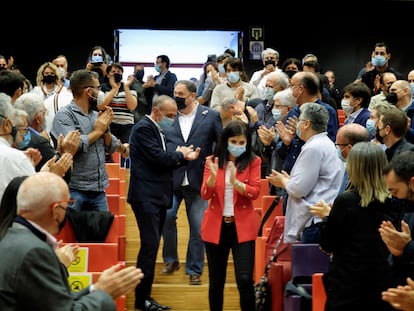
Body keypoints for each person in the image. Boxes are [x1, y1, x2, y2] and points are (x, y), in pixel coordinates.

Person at [0, 171, 144, 311]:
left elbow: (53, 302)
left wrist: (95, 289)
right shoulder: (35, 251)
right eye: (67, 204)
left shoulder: (11, 238)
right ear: (56, 210)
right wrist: (105, 293)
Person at [128, 94, 200, 311]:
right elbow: (159, 159)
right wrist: (181, 155)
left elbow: (161, 160)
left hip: (156, 197)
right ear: (156, 111)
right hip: (146, 197)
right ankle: (142, 300)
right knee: (149, 248)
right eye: (169, 115)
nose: (172, 119)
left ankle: (145, 298)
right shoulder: (143, 128)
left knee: (151, 247)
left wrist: (177, 155)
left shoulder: (155, 128)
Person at [319, 142, 403, 311]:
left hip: (347, 286)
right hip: (383, 285)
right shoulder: (394, 202)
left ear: (354, 168)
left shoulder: (345, 201)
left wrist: (327, 217)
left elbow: (327, 244)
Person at [162, 80, 223, 285]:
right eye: (174, 93)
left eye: (180, 93)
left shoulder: (211, 115)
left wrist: (213, 165)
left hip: (199, 179)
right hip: (172, 177)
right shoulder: (168, 116)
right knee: (167, 217)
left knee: (198, 227)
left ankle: (195, 269)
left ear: (193, 95)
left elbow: (221, 143)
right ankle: (171, 260)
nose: (176, 96)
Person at [200, 119, 261, 311]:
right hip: (216, 226)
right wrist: (211, 177)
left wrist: (236, 183)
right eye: (233, 142)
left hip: (242, 227)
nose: (237, 146)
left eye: (241, 143)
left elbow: (255, 192)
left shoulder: (253, 161)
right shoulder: (212, 161)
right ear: (225, 141)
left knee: (244, 279)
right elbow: (205, 194)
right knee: (216, 282)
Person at [51, 69, 128, 213]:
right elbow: (76, 145)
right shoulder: (64, 116)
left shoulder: (95, 115)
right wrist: (98, 130)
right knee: (74, 235)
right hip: (75, 189)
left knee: (102, 234)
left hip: (99, 190)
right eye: (98, 88)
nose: (100, 92)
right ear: (88, 91)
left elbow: (109, 145)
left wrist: (108, 134)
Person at [267, 102, 343, 243]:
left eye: (299, 120)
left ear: (306, 124)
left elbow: (298, 189)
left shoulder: (314, 147)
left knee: (309, 265)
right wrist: (291, 180)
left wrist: (284, 182)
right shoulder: (324, 143)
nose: (297, 125)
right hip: (318, 220)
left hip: (314, 222)